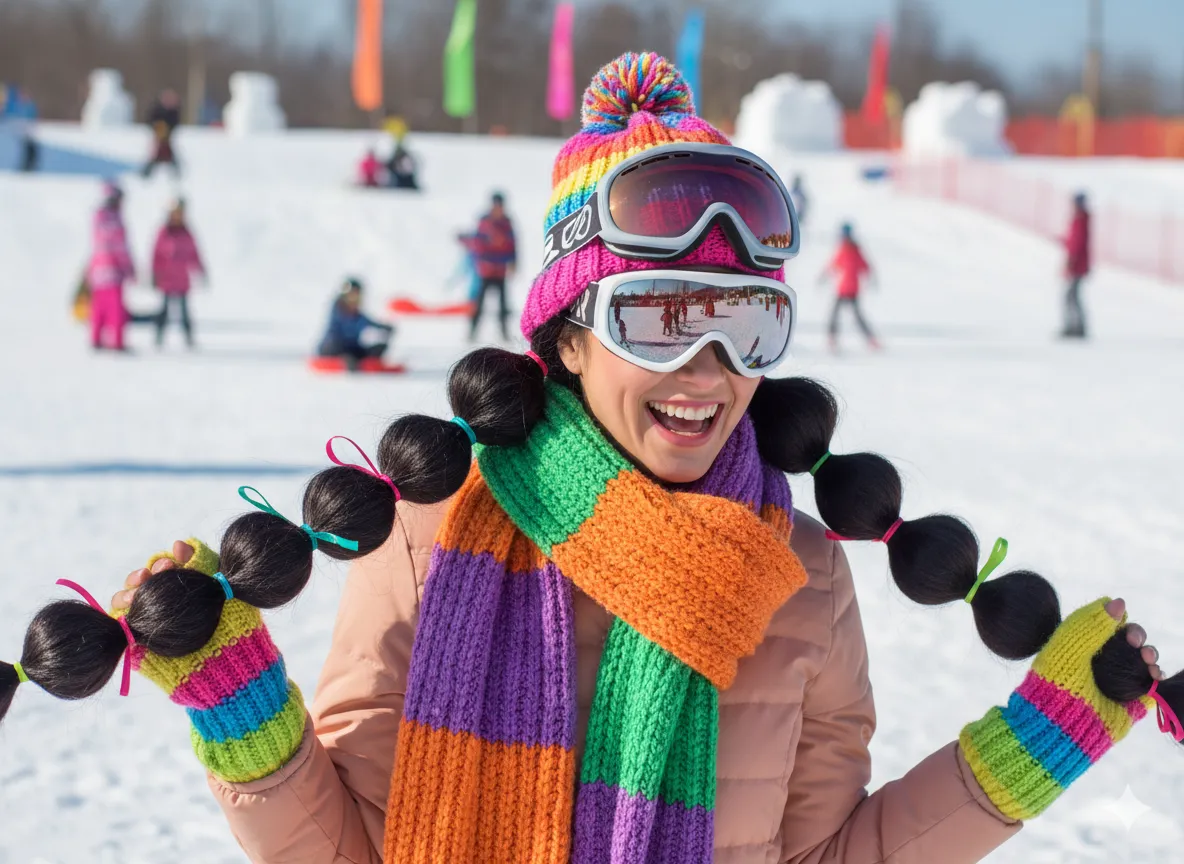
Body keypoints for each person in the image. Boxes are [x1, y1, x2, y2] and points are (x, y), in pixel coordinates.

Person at [2, 53, 1177, 864]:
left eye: (744, 322)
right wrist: (241, 709)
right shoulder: (429, 537)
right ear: (566, 337)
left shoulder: (803, 577)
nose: (707, 371)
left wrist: (1031, 744)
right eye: (660, 317)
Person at [87, 181, 136, 351]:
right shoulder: (114, 220)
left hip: (97, 272)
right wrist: (129, 269)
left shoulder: (98, 218)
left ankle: (96, 338)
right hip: (113, 272)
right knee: (115, 311)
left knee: (99, 308)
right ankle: (117, 342)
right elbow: (119, 248)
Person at [151, 199, 206, 348]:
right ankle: (158, 336)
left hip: (182, 279)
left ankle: (189, 338)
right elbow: (156, 254)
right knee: (164, 309)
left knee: (185, 311)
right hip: (167, 279)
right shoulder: (163, 232)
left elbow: (194, 253)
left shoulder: (186, 233)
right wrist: (155, 274)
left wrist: (201, 269)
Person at [465, 192, 517, 341]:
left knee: (503, 305)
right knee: (479, 304)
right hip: (486, 271)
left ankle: (504, 333)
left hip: (500, 271)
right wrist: (482, 262)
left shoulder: (507, 222)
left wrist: (513, 262)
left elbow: (512, 245)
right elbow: (478, 245)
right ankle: (472, 331)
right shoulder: (485, 222)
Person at [820, 222, 880, 351]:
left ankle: (832, 337)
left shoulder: (846, 249)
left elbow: (833, 265)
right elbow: (865, 266)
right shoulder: (855, 250)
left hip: (845, 289)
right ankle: (870, 338)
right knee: (853, 315)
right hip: (851, 288)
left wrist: (824, 275)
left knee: (837, 314)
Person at [317, 277, 395, 369]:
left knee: (378, 347)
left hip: (351, 349)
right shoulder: (338, 311)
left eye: (357, 296)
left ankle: (355, 360)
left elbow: (370, 323)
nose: (354, 299)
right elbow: (342, 326)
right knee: (335, 344)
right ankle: (346, 360)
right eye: (352, 295)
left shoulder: (358, 315)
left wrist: (385, 328)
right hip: (334, 348)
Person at [1061, 192, 1091, 339]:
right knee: (1072, 296)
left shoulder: (1080, 220)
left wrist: (1070, 261)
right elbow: (1074, 241)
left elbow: (1077, 244)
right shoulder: (1081, 219)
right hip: (1078, 264)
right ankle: (1076, 326)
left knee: (1071, 297)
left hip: (1077, 265)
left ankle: (1075, 327)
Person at [143, 89, 181, 178]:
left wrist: (167, 129)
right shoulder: (157, 109)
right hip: (158, 137)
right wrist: (157, 126)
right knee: (156, 154)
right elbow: (149, 120)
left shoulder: (174, 112)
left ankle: (177, 174)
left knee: (168, 154)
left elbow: (175, 123)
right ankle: (145, 174)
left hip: (167, 138)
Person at [2, 84, 39, 172]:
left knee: (30, 149)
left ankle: (29, 166)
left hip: (27, 133)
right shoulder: (12, 105)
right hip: (15, 134)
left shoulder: (29, 105)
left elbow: (33, 118)